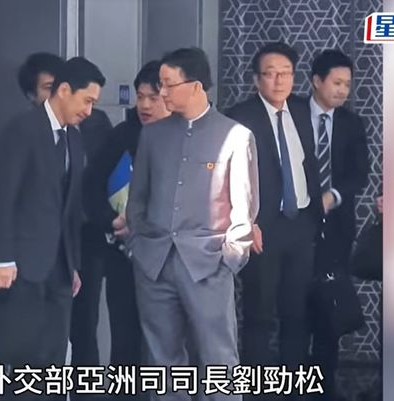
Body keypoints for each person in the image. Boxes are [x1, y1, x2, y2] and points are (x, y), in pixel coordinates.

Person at [126, 47, 258, 401]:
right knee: (162, 362)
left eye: (168, 84)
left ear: (196, 86)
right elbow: (137, 200)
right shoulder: (153, 135)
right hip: (154, 262)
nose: (162, 93)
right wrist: (139, 246)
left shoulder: (235, 136)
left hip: (208, 263)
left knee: (219, 359)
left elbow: (244, 208)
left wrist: (229, 260)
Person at [0, 57, 105, 399]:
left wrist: (73, 263)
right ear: (64, 90)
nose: (89, 111)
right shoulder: (22, 130)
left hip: (61, 269)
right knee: (24, 355)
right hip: (22, 266)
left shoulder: (74, 139)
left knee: (53, 356)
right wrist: (3, 258)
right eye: (87, 101)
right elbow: (1, 197)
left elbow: (70, 209)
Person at [225, 42, 323, 390]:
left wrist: (315, 216)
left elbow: (307, 164)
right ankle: (256, 389)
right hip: (261, 228)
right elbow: (229, 176)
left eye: (286, 73)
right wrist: (246, 222)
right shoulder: (240, 117)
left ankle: (293, 387)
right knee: (259, 313)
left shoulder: (302, 112)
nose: (279, 81)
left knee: (296, 313)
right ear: (256, 79)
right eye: (270, 74)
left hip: (300, 224)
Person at [16, 52, 115, 373]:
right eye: (46, 88)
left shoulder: (93, 124)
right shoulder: (25, 133)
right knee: (37, 333)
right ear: (32, 95)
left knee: (85, 325)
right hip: (41, 248)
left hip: (85, 238)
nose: (86, 109)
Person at [83, 60, 171, 371]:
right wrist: (111, 220)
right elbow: (90, 186)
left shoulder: (188, 137)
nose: (144, 105)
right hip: (124, 256)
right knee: (125, 342)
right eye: (140, 96)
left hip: (173, 258)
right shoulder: (122, 136)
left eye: (153, 98)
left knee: (170, 344)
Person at [306, 49, 369, 401]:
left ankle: (324, 387)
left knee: (328, 313)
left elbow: (359, 174)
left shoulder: (351, 123)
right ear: (317, 81)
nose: (343, 90)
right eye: (337, 82)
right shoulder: (293, 115)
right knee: (295, 308)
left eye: (347, 84)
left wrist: (333, 196)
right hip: (296, 228)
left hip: (337, 228)